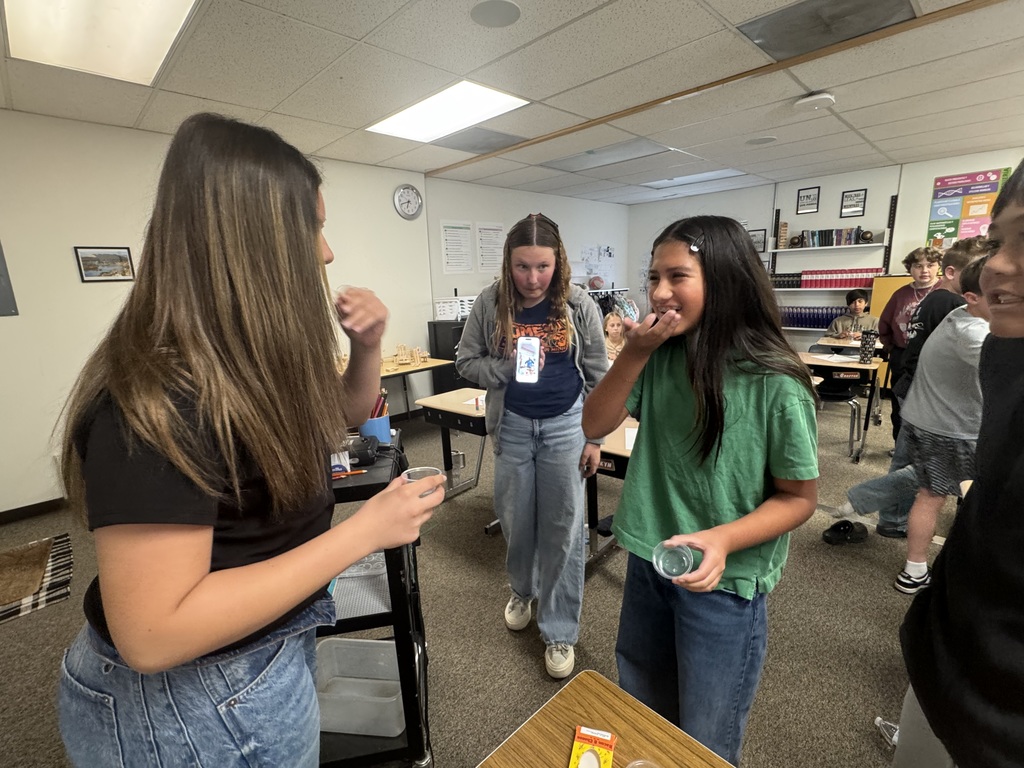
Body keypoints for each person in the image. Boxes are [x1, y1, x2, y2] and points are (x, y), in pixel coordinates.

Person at [56, 114, 445, 768]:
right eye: (314, 228)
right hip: (193, 700)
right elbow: (151, 634)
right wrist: (362, 533)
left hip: (255, 659)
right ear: (258, 242)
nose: (327, 253)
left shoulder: (245, 363)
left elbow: (340, 416)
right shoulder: (161, 397)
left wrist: (367, 347)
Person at [581, 215, 818, 765]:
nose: (660, 292)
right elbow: (594, 422)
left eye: (677, 276)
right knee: (643, 707)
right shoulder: (660, 355)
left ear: (725, 280)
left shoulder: (775, 382)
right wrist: (634, 351)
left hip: (723, 583)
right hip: (649, 559)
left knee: (705, 737)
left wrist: (722, 539)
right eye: (653, 277)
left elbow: (799, 498)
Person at [894, 158, 1024, 768]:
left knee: (924, 489)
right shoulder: (994, 343)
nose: (999, 264)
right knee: (931, 494)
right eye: (998, 242)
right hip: (954, 666)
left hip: (984, 700)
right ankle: (913, 566)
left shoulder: (969, 325)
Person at [455, 213, 607, 680]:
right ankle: (523, 590)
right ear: (508, 263)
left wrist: (596, 438)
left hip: (566, 426)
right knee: (517, 521)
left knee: (563, 527)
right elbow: (465, 361)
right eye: (523, 267)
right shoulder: (490, 302)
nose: (533, 278)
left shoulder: (578, 305)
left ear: (558, 262)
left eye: (543, 266)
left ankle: (559, 629)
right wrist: (503, 367)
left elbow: (599, 373)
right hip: (514, 427)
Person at [822, 241, 992, 544]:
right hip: (929, 394)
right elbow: (887, 329)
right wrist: (893, 352)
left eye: (929, 265)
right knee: (935, 467)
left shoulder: (938, 300)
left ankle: (888, 516)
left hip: (921, 389)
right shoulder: (950, 305)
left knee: (916, 462)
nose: (924, 271)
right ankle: (884, 512)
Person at [893, 255, 990, 594]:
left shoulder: (959, 314)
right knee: (939, 496)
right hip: (948, 427)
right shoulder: (973, 331)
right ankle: (918, 570)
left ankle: (918, 568)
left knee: (932, 491)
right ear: (973, 298)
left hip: (933, 420)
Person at [893, 235, 992, 401]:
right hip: (928, 392)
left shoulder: (935, 298)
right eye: (977, 273)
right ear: (950, 273)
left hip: (914, 385)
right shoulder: (954, 304)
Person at [878, 247, 942, 440]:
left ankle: (925, 447)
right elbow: (885, 323)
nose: (924, 270)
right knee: (900, 402)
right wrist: (892, 347)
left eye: (930, 265)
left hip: (935, 357)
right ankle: (899, 445)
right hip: (903, 355)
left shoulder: (945, 291)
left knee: (931, 404)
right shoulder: (900, 294)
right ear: (910, 268)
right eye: (918, 266)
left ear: (939, 267)